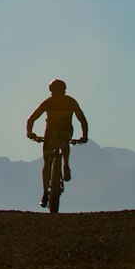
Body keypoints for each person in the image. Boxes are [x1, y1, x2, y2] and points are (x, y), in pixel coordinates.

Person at [25, 78, 88, 207]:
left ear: (64, 92)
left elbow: (82, 119)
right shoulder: (48, 103)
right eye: (55, 93)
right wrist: (29, 132)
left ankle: (66, 166)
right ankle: (45, 192)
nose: (57, 96)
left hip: (65, 130)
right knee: (47, 161)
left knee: (64, 142)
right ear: (52, 93)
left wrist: (84, 135)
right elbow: (31, 118)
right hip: (51, 132)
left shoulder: (71, 102)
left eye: (59, 93)